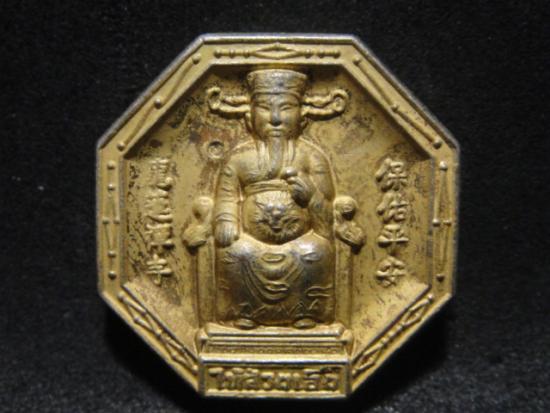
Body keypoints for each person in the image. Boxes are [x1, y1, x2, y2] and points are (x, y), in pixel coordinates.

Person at [213, 69, 337, 329]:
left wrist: (311, 197)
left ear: (302, 117)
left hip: (301, 243)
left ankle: (305, 313)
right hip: (250, 243)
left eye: (286, 108)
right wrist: (226, 221)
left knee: (315, 251)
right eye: (265, 108)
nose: (276, 119)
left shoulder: (312, 157)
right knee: (235, 253)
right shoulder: (238, 158)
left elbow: (328, 211)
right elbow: (226, 197)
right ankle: (245, 313)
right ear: (249, 117)